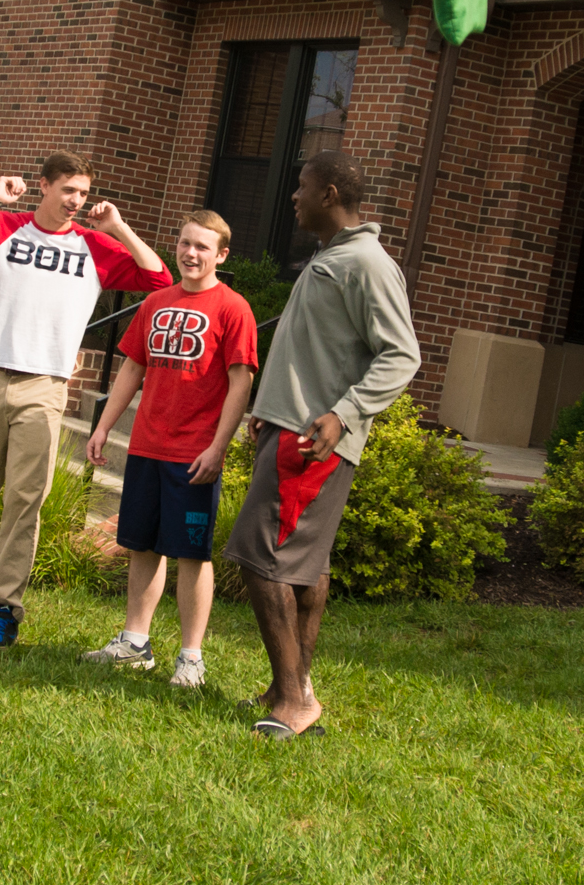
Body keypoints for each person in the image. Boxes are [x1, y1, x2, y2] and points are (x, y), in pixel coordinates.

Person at [0, 153, 168, 648]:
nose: (76, 201)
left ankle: (6, 605)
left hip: (45, 385)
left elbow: (158, 278)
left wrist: (118, 227)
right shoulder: (3, 228)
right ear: (44, 186)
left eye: (83, 192)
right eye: (68, 190)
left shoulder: (94, 247)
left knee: (24, 499)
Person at [225, 150, 417, 736]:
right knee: (304, 568)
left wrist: (344, 413)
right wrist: (266, 409)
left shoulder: (366, 263)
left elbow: (402, 354)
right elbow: (309, 348)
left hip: (313, 440)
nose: (293, 197)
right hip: (289, 427)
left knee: (262, 561)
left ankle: (293, 702)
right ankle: (295, 685)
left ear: (330, 194)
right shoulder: (331, 257)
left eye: (301, 187)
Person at [76, 208, 259, 688]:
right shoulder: (155, 302)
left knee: (192, 555)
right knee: (141, 545)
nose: (190, 253)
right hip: (147, 447)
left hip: (194, 454)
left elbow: (241, 383)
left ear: (220, 254)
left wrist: (219, 447)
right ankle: (135, 643)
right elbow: (133, 370)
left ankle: (191, 658)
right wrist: (103, 426)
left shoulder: (233, 308)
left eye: (202, 246)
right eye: (184, 243)